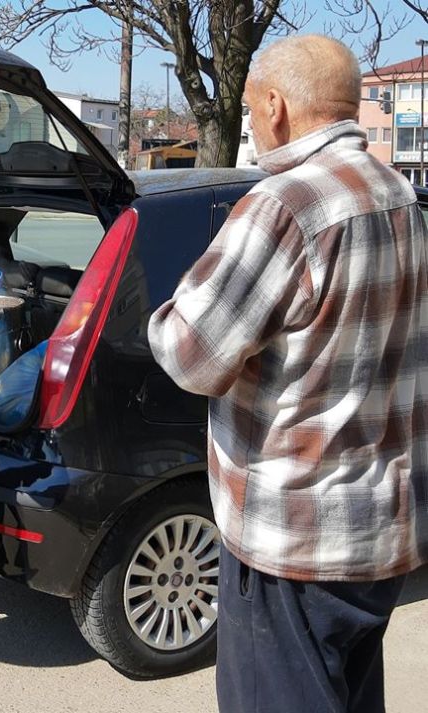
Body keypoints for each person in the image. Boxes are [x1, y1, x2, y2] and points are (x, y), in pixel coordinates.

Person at [147, 35, 427, 713]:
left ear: (274, 106)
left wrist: (171, 305)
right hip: (380, 536)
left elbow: (189, 353)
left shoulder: (287, 207)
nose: (248, 123)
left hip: (292, 546)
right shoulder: (401, 197)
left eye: (247, 109)